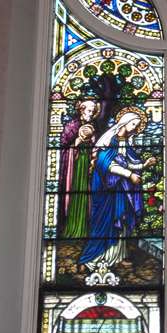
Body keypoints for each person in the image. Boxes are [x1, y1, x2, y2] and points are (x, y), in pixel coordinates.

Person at [79, 109, 156, 272]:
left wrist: (143, 165)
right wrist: (130, 175)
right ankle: (92, 260)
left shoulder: (125, 143)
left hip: (122, 190)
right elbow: (106, 163)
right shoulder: (110, 141)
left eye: (138, 126)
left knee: (122, 223)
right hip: (108, 191)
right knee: (105, 224)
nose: (135, 128)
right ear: (125, 122)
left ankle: (118, 257)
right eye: (134, 124)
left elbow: (127, 163)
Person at [57, 98, 99, 239]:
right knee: (75, 194)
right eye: (89, 111)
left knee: (88, 195)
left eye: (94, 111)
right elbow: (63, 147)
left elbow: (98, 145)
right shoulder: (71, 125)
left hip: (88, 165)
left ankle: (88, 230)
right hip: (74, 167)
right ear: (82, 110)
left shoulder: (95, 126)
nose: (91, 114)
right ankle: (72, 229)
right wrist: (76, 143)